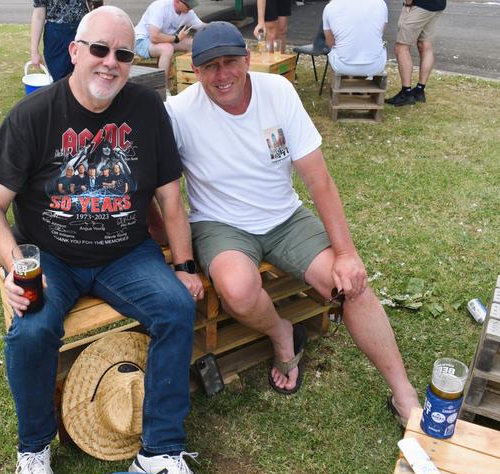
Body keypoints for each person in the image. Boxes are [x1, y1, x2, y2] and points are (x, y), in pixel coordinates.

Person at [0, 6, 206, 474]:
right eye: (99, 49)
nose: (110, 62)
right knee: (32, 332)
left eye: (123, 53)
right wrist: (17, 267)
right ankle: (34, 450)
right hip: (51, 256)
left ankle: (160, 452)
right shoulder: (33, 116)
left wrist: (184, 265)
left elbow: (169, 198)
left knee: (176, 307)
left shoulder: (146, 111)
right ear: (75, 51)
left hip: (126, 252)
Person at [165, 21, 420, 424]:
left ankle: (404, 395)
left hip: (284, 215)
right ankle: (283, 333)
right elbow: (163, 191)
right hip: (220, 223)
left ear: (248, 60)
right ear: (195, 71)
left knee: (350, 285)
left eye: (231, 61)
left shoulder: (278, 92)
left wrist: (347, 253)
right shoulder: (178, 112)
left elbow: (318, 180)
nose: (222, 74)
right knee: (237, 288)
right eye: (210, 66)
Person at [385, 0, 447, 106]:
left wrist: (408, 4)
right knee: (425, 44)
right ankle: (419, 90)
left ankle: (406, 93)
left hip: (419, 5)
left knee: (401, 47)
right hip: (438, 4)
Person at [134, 0, 205, 88]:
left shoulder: (188, 12)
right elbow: (154, 37)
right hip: (142, 40)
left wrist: (219, 25)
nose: (190, 8)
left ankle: (187, 82)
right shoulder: (160, 7)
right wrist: (177, 38)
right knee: (167, 49)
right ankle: (163, 88)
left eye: (192, 5)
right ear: (177, 1)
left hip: (164, 40)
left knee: (192, 43)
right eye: (188, 5)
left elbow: (201, 26)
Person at [322, 0, 387, 77]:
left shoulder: (330, 6)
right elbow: (380, 32)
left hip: (341, 66)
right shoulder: (381, 3)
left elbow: (330, 43)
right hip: (376, 66)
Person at [30, 0, 89, 81]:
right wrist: (34, 51)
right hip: (56, 36)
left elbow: (96, 5)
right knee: (59, 78)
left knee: (83, 76)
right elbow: (38, 15)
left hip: (83, 31)